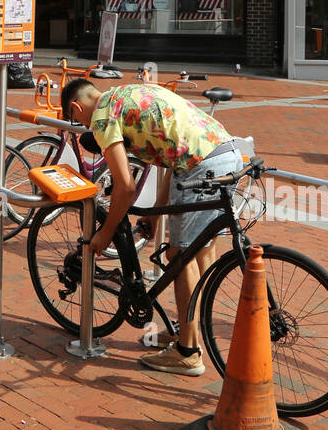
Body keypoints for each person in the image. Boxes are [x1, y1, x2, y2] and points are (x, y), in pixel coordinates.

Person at [60, 78, 243, 378]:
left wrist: (104, 233)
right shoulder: (130, 93)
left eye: (74, 118)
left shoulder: (103, 116)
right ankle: (188, 332)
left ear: (77, 107)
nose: (80, 124)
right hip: (225, 152)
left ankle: (188, 352)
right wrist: (156, 216)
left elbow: (125, 186)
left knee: (181, 259)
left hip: (201, 166)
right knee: (196, 256)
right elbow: (170, 155)